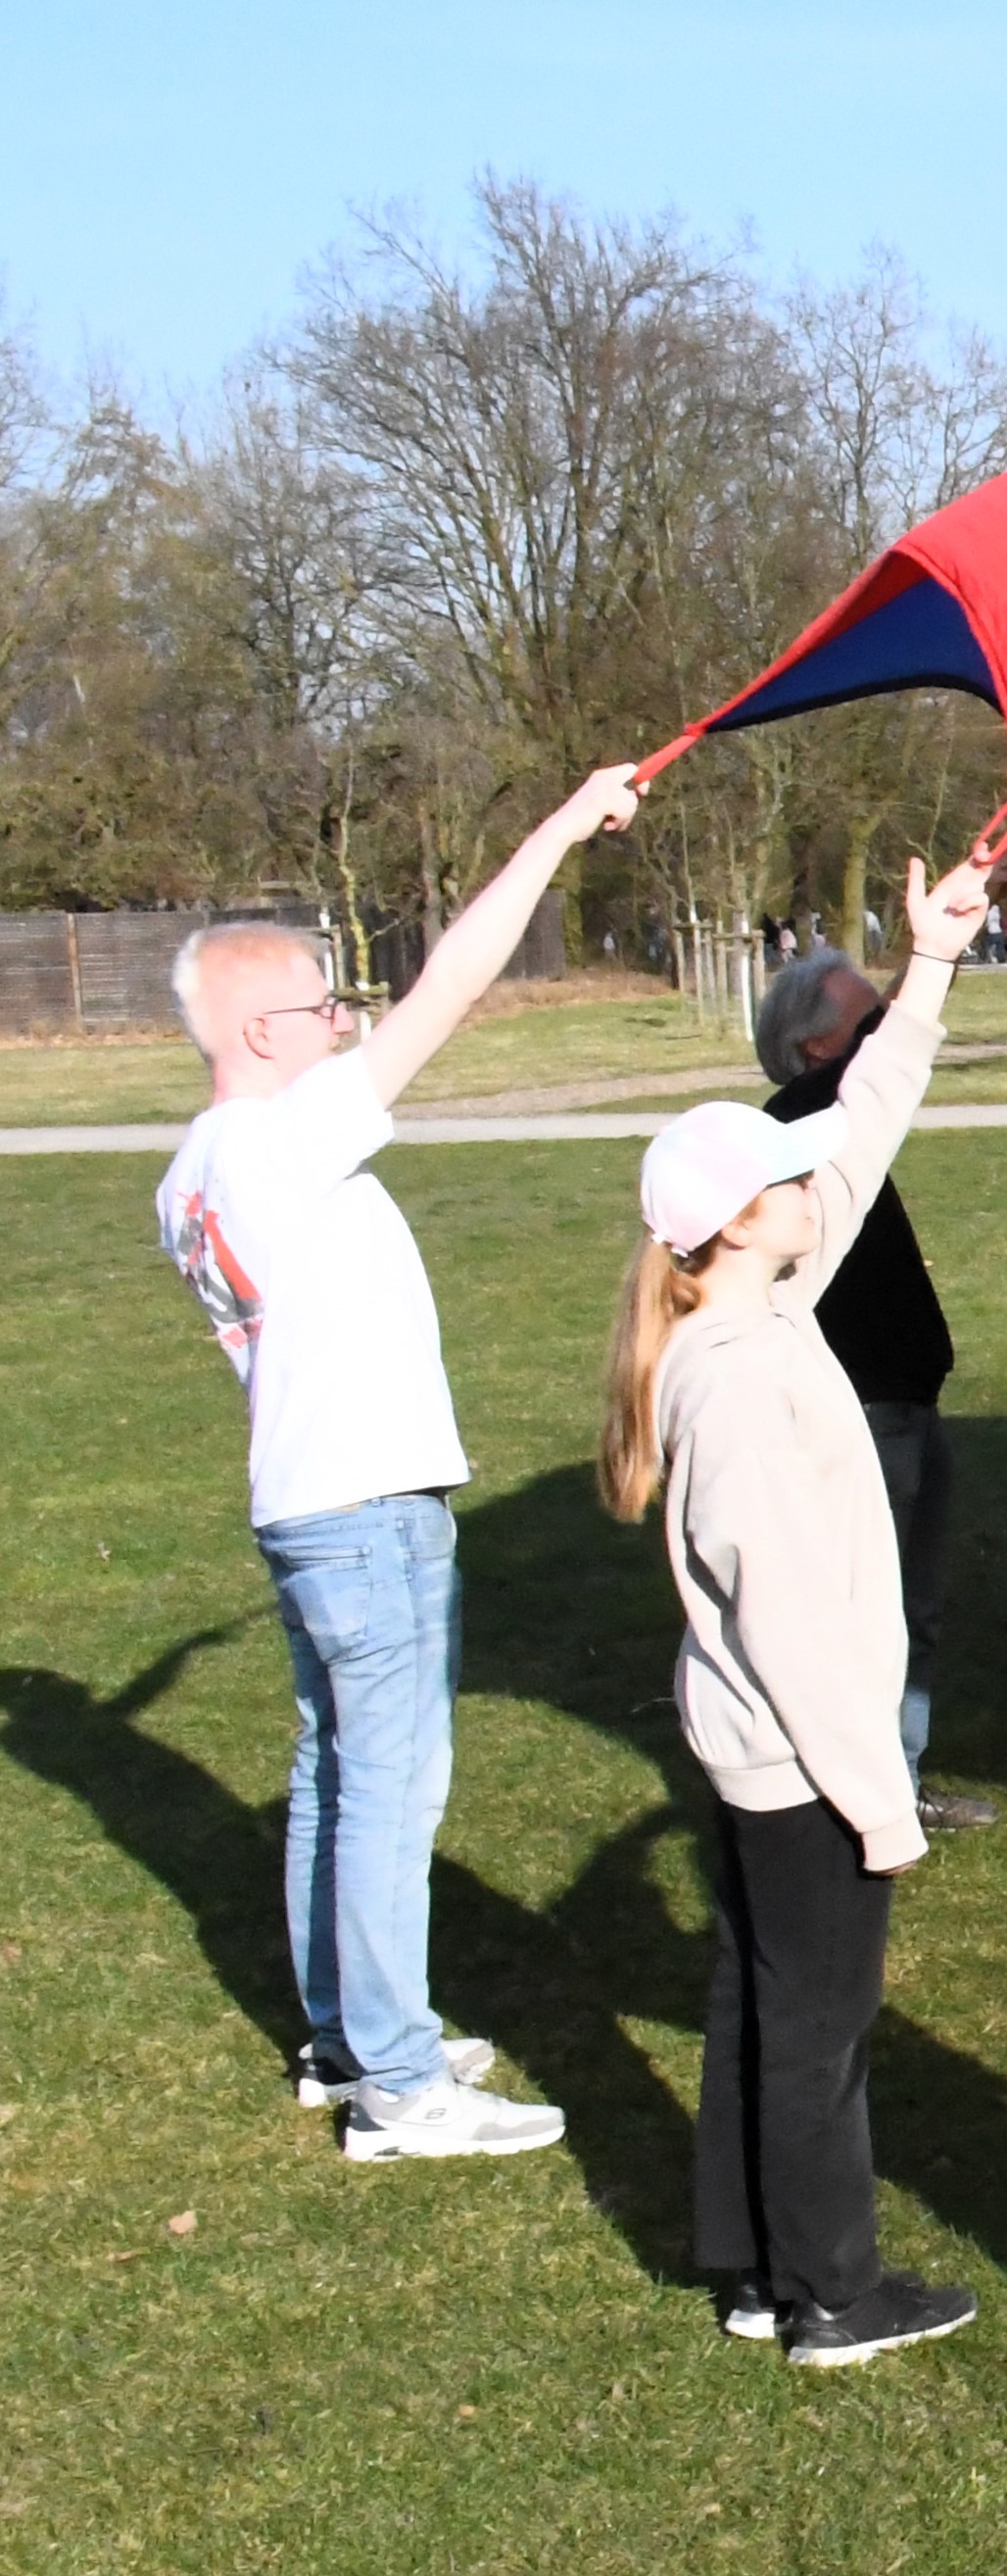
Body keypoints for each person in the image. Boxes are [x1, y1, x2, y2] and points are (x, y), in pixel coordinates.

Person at [155, 764, 635, 2160]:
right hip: (363, 1512)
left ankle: (344, 2036)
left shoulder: (193, 1166)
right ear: (261, 1030)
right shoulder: (277, 1139)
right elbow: (451, 987)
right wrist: (560, 828)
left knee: (333, 1773)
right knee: (387, 1791)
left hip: (312, 1506)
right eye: (324, 1006)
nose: (347, 1023)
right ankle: (400, 2086)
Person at [607, 851, 992, 2368]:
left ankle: (757, 2263)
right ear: (735, 1220)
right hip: (799, 1760)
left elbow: (866, 1119)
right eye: (781, 1178)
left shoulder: (753, 1298)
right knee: (817, 2030)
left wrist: (931, 964)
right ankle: (833, 2293)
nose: (808, 1183)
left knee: (760, 2002)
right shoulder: (742, 1378)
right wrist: (877, 1797)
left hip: (758, 1755)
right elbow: (790, 1627)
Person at [755, 944, 994, 1830]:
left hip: (907, 1407)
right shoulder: (797, 1123)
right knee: (863, 1618)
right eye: (865, 1027)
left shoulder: (836, 1124)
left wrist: (948, 947)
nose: (886, 1039)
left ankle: (898, 1785)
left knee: (910, 1613)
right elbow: (900, 1042)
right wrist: (937, 954)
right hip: (861, 1416)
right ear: (816, 1049)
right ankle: (851, 1799)